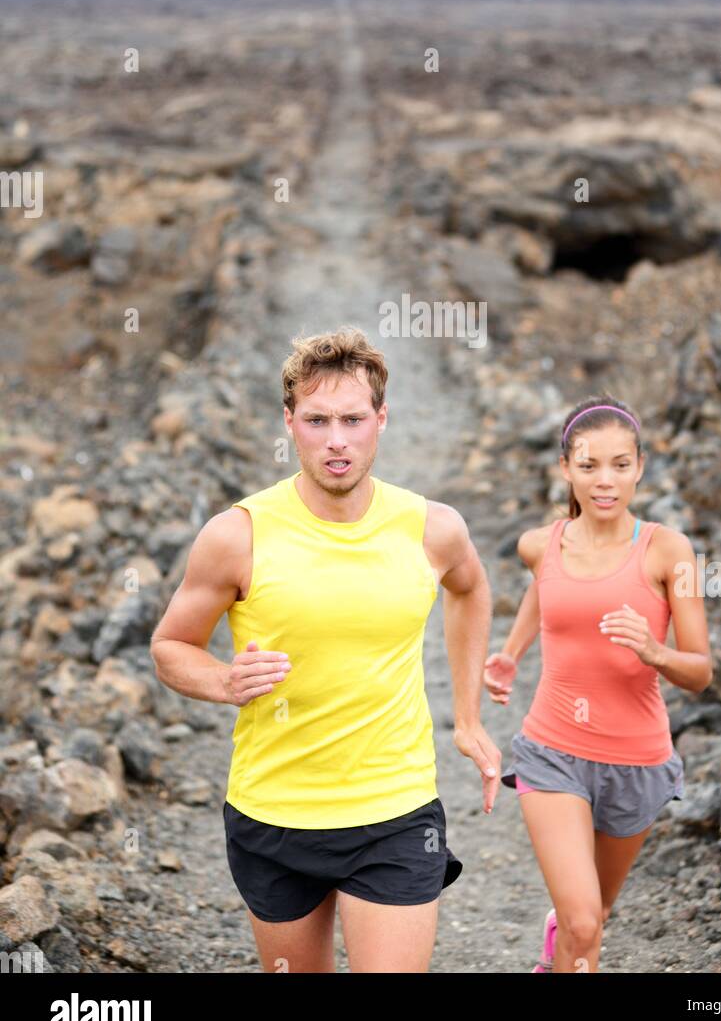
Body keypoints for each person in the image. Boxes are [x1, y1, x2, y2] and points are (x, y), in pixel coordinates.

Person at [151, 326, 500, 973]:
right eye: (316, 420)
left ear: (381, 418)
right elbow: (172, 645)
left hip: (395, 810)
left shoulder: (432, 528)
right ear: (289, 423)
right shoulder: (237, 536)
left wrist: (470, 716)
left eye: (352, 418)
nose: (336, 440)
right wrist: (225, 681)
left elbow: (472, 590)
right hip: (273, 813)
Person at [484, 394, 712, 973]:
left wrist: (654, 650)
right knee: (586, 922)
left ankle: (561, 941)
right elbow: (547, 587)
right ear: (566, 469)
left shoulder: (667, 550)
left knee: (596, 913)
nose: (604, 480)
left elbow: (702, 672)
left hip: (638, 762)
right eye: (588, 466)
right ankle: (569, 936)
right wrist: (511, 653)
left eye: (619, 465)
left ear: (640, 467)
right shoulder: (540, 543)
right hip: (553, 750)